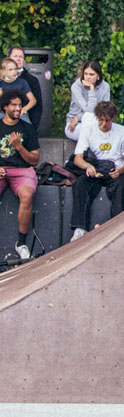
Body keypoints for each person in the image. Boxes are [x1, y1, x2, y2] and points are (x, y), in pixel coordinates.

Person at [69, 101, 124, 240]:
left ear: (113, 119)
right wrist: (88, 166)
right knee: (80, 184)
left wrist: (120, 170)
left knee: (122, 184)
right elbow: (77, 158)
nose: (103, 124)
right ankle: (80, 228)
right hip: (96, 169)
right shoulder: (89, 129)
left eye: (107, 121)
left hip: (116, 170)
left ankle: (118, 225)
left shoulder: (123, 132)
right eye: (101, 120)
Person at [0, 90, 40, 260]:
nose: (18, 108)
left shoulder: (27, 128)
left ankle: (21, 243)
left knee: (27, 195)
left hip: (22, 170)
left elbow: (34, 160)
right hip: (1, 169)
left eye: (20, 105)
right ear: (5, 107)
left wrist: (19, 147)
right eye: (14, 105)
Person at [65, 60, 111, 141]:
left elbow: (105, 111)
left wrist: (78, 116)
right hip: (75, 124)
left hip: (97, 122)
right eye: (86, 74)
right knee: (91, 133)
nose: (88, 77)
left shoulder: (105, 87)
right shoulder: (76, 87)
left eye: (91, 74)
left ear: (98, 76)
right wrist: (91, 90)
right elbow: (89, 111)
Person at [7, 46, 43, 134]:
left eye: (21, 57)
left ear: (24, 62)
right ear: (8, 59)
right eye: (15, 56)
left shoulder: (31, 81)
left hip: (22, 116)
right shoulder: (2, 79)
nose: (18, 59)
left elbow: (37, 106)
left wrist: (32, 127)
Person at [0, 57, 36, 124]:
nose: (14, 72)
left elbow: (33, 100)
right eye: (10, 70)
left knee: (28, 125)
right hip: (3, 113)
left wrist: (24, 109)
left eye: (15, 69)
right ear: (3, 71)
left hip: (19, 112)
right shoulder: (1, 84)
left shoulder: (22, 82)